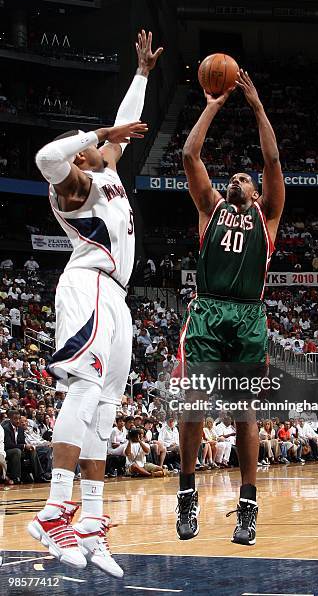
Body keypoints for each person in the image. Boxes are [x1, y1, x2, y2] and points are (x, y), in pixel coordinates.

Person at [27, 29, 163, 576]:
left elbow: (125, 130)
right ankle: (55, 510)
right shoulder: (74, 186)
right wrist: (99, 129)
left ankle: (91, 521)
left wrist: (143, 75)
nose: (107, 148)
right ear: (83, 150)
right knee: (84, 389)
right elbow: (43, 156)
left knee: (106, 411)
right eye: (97, 145)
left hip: (118, 298)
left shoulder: (106, 171)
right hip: (89, 284)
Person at [175, 70, 285, 546]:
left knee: (245, 413)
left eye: (247, 178)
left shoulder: (270, 215)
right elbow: (189, 155)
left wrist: (257, 106)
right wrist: (214, 104)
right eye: (234, 176)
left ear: (257, 194)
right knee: (193, 404)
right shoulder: (209, 207)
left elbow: (272, 157)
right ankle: (186, 493)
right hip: (207, 311)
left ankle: (247, 507)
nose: (239, 179)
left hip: (247, 315)